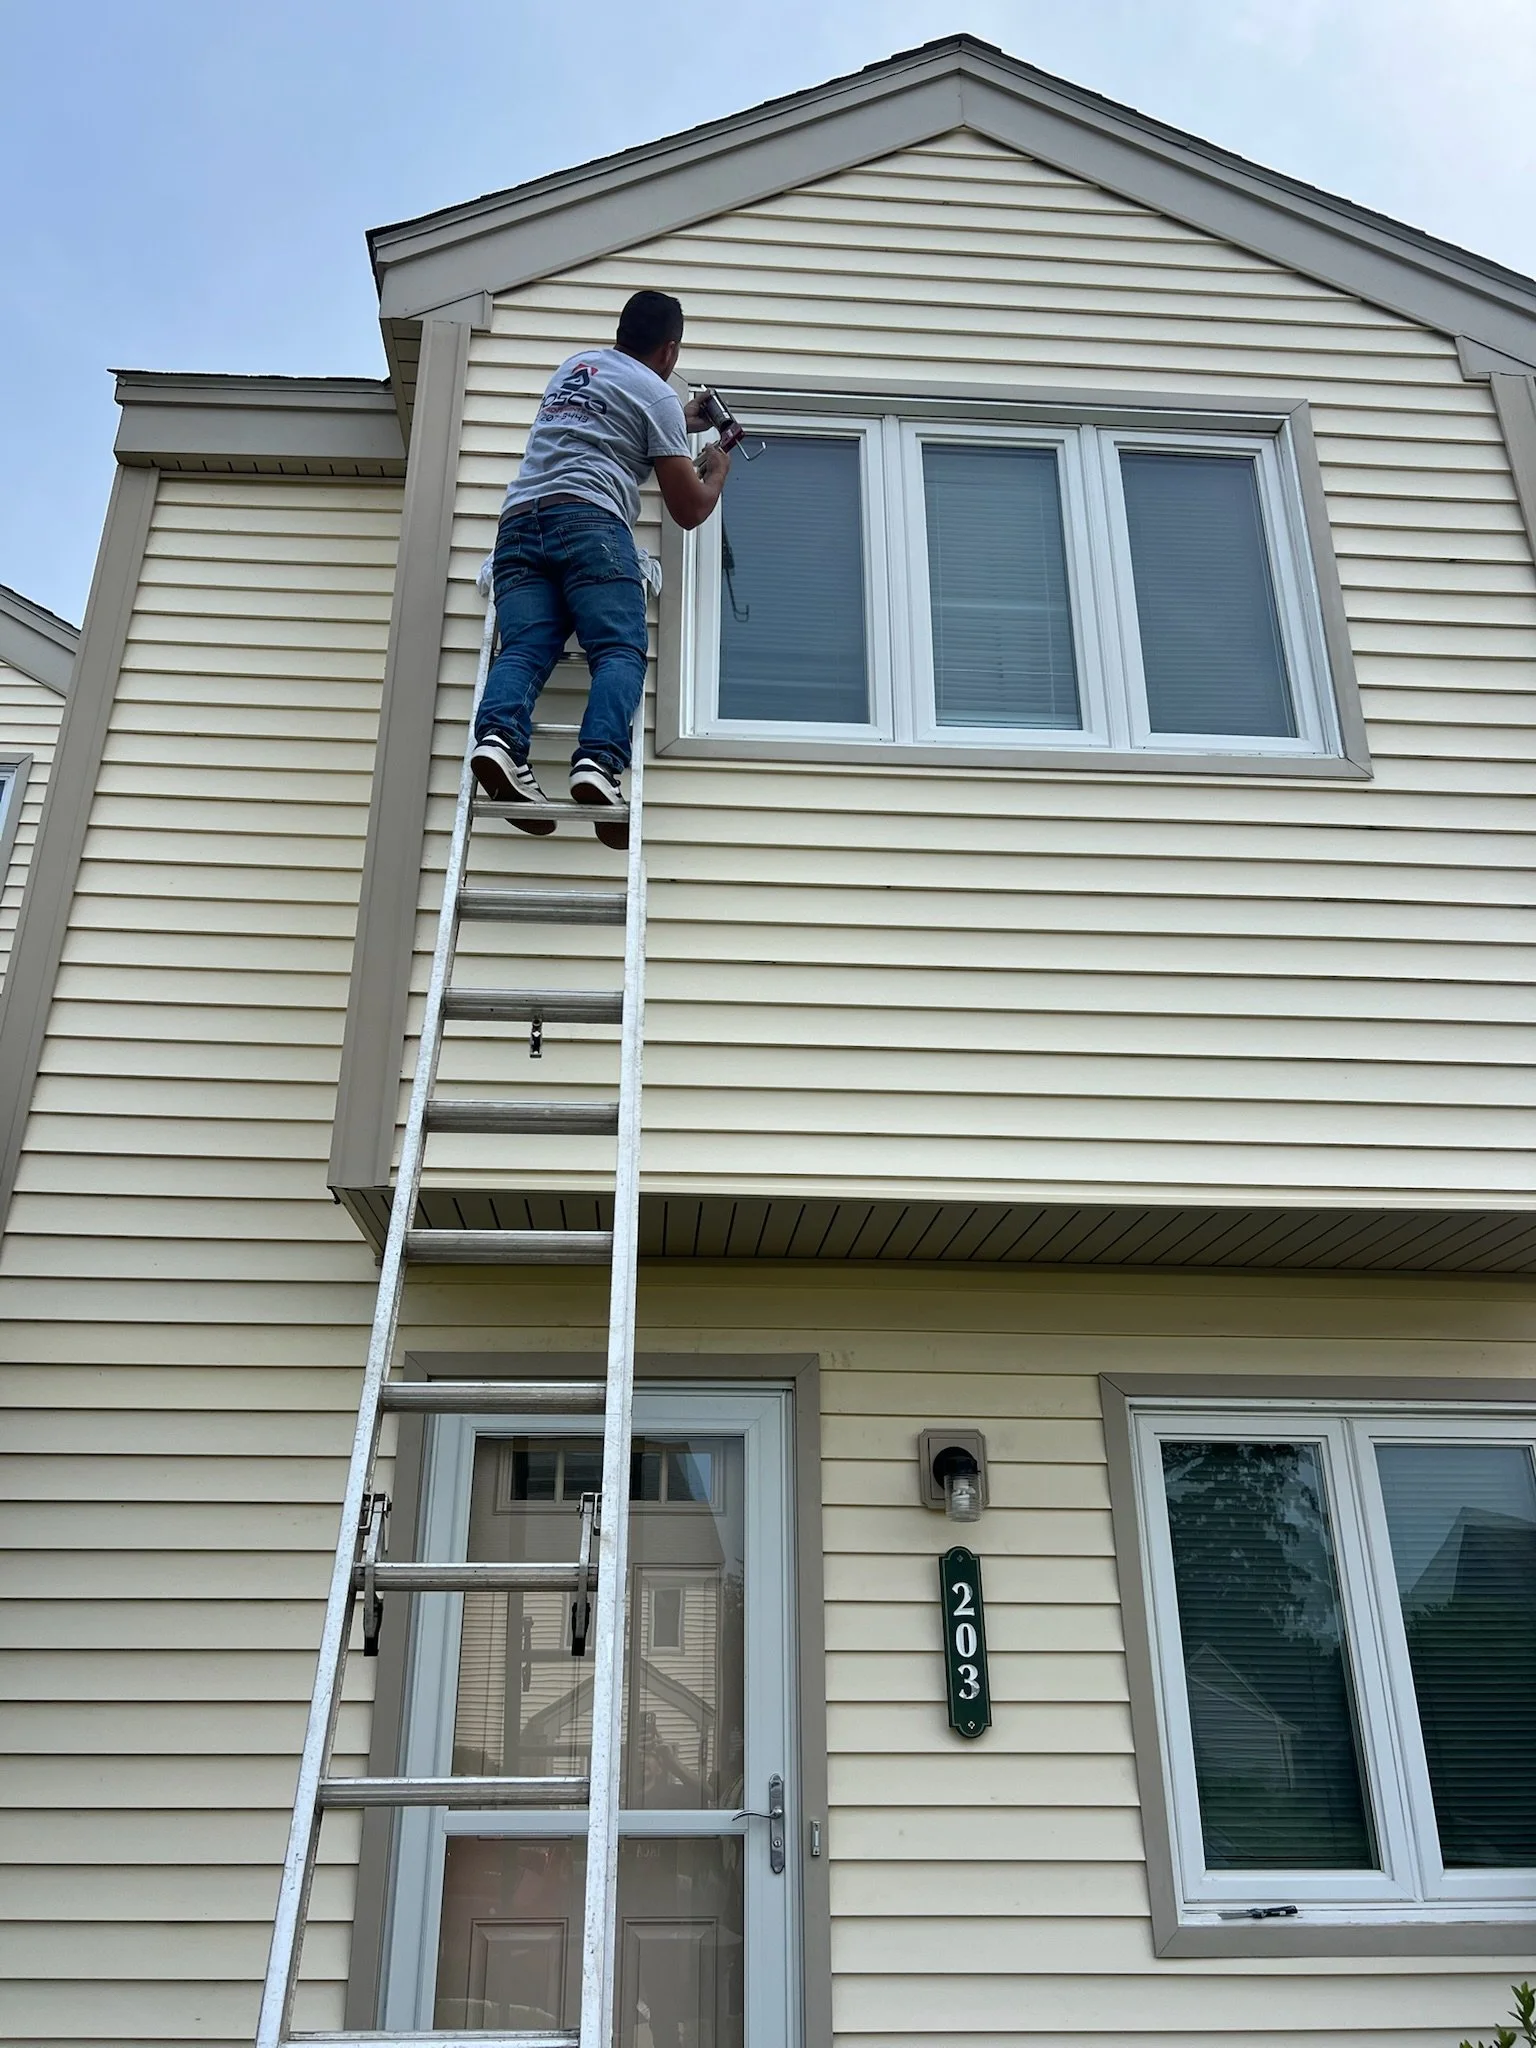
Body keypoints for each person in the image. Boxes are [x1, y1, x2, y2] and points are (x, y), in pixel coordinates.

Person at [470, 289, 730, 847]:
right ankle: (597, 765)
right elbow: (687, 509)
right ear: (670, 350)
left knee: (525, 648)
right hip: (588, 521)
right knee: (616, 650)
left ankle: (497, 744)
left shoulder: (576, 368)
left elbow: (608, 427)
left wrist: (676, 421)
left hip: (519, 521)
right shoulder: (656, 396)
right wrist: (717, 470)